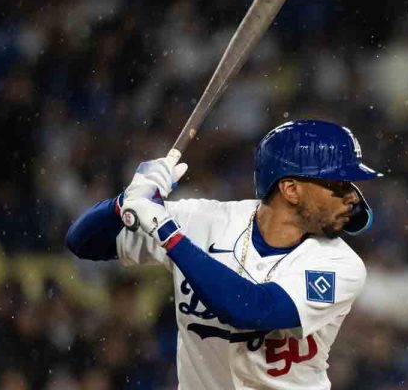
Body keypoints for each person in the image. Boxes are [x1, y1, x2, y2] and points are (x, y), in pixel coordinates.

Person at [66, 119, 382, 389]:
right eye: (338, 183)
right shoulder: (206, 221)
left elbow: (250, 309)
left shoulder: (341, 264)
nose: (353, 196)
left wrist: (168, 233)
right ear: (291, 189)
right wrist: (123, 203)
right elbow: (83, 243)